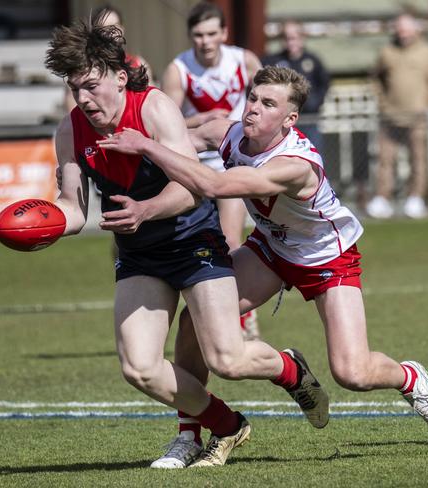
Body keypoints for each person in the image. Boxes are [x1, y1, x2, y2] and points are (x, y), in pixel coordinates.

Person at [100, 66, 428, 460]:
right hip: (270, 249)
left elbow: (214, 186)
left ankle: (410, 378)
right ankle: (189, 435)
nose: (252, 109)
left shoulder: (295, 165)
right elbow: (176, 135)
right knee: (195, 323)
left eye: (268, 104)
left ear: (290, 119)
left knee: (352, 373)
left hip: (326, 258)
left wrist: (147, 147)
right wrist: (121, 117)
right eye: (253, 98)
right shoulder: (230, 132)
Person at [45, 19, 329, 469]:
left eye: (91, 86)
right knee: (139, 367)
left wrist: (143, 210)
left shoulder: (155, 108)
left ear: (120, 78)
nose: (82, 99)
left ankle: (290, 369)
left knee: (228, 358)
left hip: (193, 241)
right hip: (140, 256)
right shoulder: (70, 130)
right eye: (74, 88)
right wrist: (43, 225)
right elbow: (74, 207)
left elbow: (190, 189)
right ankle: (228, 425)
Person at [161, 2, 262, 339]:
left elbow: (269, 104)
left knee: (231, 239)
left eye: (210, 34)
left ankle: (241, 317)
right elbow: (165, 121)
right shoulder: (179, 69)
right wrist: (199, 120)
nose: (204, 41)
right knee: (187, 239)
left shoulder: (244, 61)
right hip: (194, 162)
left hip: (232, 160)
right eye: (198, 35)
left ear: (223, 33)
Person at [367, 13, 428, 219]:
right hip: (390, 117)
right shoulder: (387, 52)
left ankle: (415, 198)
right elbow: (375, 80)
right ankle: (383, 199)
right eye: (399, 29)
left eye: (406, 29)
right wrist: (383, 103)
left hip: (418, 118)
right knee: (385, 160)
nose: (402, 33)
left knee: (418, 160)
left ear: (415, 30)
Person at [63, 5, 153, 114]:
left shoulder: (139, 64)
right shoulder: (81, 65)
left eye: (113, 27)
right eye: (103, 28)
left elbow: (150, 102)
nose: (109, 33)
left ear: (122, 29)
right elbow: (73, 110)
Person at [261, 19, 330, 152]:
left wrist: (315, 102)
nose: (290, 42)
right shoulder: (273, 61)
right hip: (283, 123)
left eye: (294, 38)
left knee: (312, 158)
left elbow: (324, 84)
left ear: (302, 38)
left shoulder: (313, 61)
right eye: (287, 38)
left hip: (309, 121)